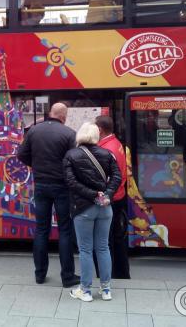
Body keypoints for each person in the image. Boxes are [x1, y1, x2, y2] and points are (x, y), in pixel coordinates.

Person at [17, 102, 79, 288]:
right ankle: (67, 276)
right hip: (62, 187)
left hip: (41, 185)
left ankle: (40, 274)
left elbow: (21, 154)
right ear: (64, 116)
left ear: (50, 112)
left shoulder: (34, 131)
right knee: (65, 230)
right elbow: (74, 159)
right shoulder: (69, 133)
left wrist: (35, 165)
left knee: (41, 229)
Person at [64, 122, 121, 302]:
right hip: (105, 207)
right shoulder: (107, 154)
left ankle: (86, 290)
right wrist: (107, 194)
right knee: (103, 247)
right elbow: (118, 176)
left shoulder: (71, 155)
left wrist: (91, 194)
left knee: (86, 250)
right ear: (96, 135)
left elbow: (71, 182)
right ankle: (106, 290)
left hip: (83, 208)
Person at [95, 115, 131, 279]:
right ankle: (121, 273)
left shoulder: (106, 150)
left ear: (100, 130)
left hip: (110, 199)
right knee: (117, 237)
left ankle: (108, 274)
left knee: (105, 240)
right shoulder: (116, 144)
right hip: (118, 196)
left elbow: (106, 179)